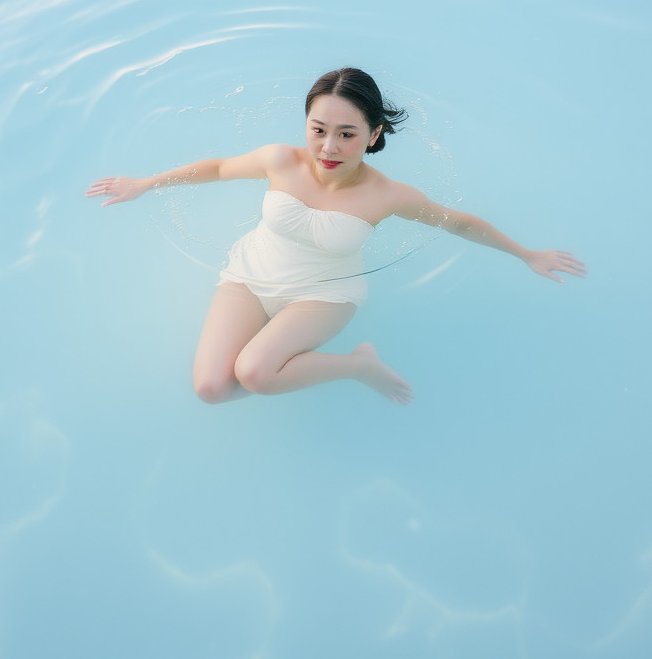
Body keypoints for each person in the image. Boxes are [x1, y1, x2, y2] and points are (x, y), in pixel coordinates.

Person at [84, 67, 585, 405]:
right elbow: (216, 167)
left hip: (322, 296)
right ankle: (296, 362)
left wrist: (526, 254)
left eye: (347, 134)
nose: (328, 146)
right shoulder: (281, 160)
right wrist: (145, 184)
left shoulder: (386, 195)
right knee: (213, 390)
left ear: (373, 134)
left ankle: (357, 366)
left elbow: (457, 221)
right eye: (318, 128)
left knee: (256, 374)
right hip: (249, 277)